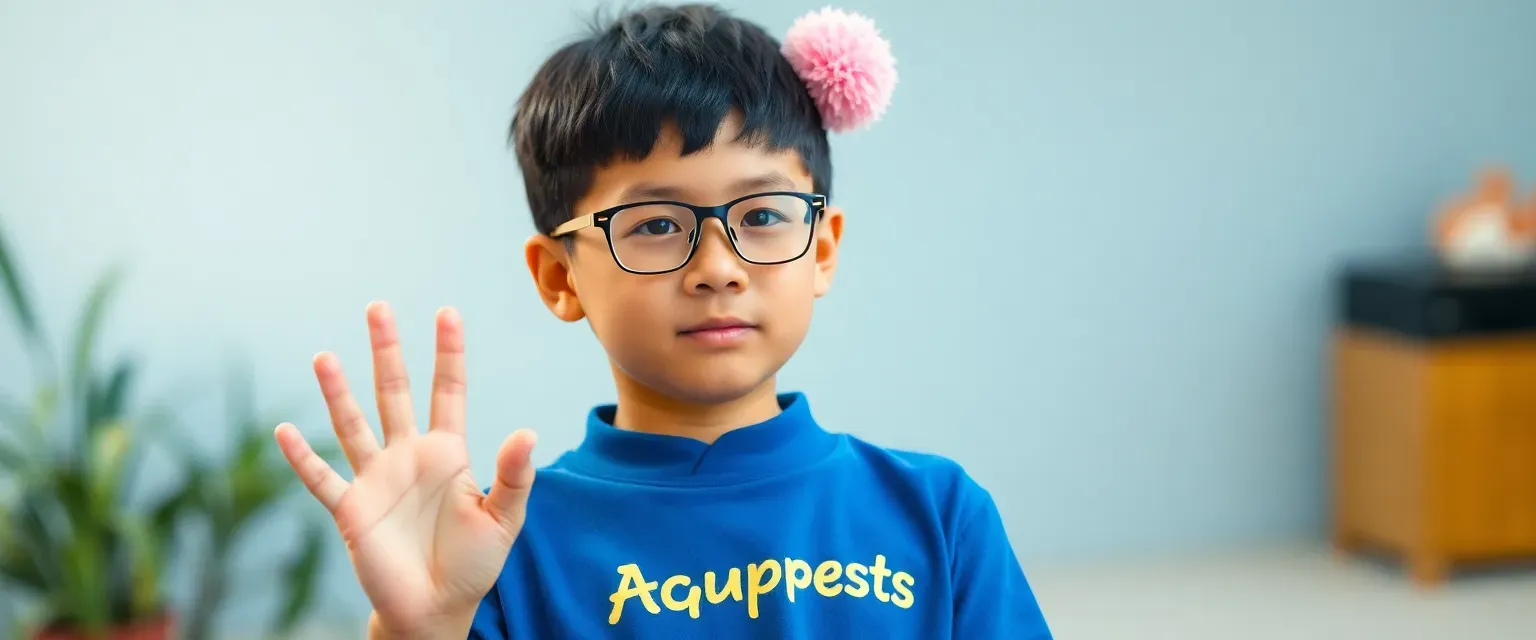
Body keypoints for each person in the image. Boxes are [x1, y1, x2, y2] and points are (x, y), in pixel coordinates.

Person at [273, 3, 1053, 638]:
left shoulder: (937, 514)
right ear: (559, 276)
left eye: (763, 214)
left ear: (822, 249)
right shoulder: (503, 550)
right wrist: (420, 631)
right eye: (654, 225)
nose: (718, 265)